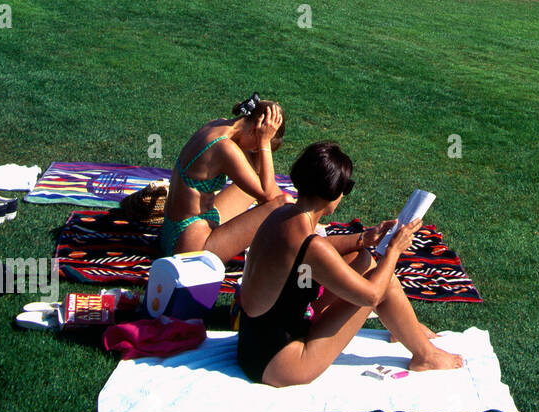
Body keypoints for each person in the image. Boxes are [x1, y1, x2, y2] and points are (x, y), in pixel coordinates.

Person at [236, 140, 462, 386]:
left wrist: (364, 238)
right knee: (383, 282)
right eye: (347, 187)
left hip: (252, 348)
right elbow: (372, 297)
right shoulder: (312, 245)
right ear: (333, 192)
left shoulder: (280, 216)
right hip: (282, 362)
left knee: (361, 258)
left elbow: (309, 251)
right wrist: (394, 251)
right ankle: (425, 355)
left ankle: (406, 331)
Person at [160, 94, 292, 260]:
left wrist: (261, 140)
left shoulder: (219, 125)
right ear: (254, 131)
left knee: (267, 194)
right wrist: (264, 141)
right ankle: (302, 240)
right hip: (189, 246)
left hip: (180, 229)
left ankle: (307, 222)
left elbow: (259, 178)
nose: (256, 150)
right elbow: (268, 195)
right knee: (283, 203)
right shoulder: (225, 148)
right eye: (257, 146)